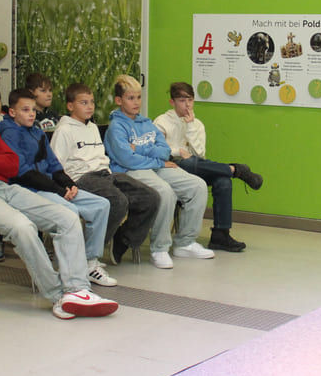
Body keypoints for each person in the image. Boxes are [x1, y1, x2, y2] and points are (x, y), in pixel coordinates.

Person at [0, 70, 117, 319]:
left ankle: (77, 289)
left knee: (67, 216)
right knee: (22, 226)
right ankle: (58, 296)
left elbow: (12, 165)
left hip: (4, 188)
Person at [0, 89, 116, 286]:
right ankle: (71, 269)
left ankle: (89, 263)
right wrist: (59, 190)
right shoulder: (8, 134)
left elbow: (54, 165)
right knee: (68, 211)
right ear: (12, 112)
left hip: (50, 186)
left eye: (33, 110)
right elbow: (23, 173)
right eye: (25, 110)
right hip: (28, 190)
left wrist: (69, 184)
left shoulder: (38, 132)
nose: (31, 114)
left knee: (101, 205)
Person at [104, 75, 212, 269]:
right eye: (130, 98)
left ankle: (185, 243)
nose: (136, 102)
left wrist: (144, 152)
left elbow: (164, 150)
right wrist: (155, 157)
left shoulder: (146, 123)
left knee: (198, 185)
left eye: (138, 97)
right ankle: (159, 248)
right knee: (165, 191)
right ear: (119, 101)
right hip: (130, 171)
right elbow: (127, 159)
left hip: (156, 166)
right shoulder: (116, 127)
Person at [50, 82, 158, 265]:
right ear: (70, 106)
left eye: (92, 102)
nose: (90, 106)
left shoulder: (92, 127)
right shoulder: (64, 130)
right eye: (83, 103)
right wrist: (67, 185)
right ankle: (88, 255)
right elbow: (55, 165)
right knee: (117, 201)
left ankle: (123, 239)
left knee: (150, 197)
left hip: (105, 174)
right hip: (81, 178)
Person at [154, 82, 262, 252]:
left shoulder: (197, 125)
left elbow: (200, 154)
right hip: (171, 168)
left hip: (196, 167)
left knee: (222, 180)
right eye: (182, 100)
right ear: (172, 102)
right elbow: (157, 150)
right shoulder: (161, 122)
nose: (187, 105)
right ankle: (235, 169)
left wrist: (189, 127)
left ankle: (221, 234)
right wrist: (179, 151)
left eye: (190, 100)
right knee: (188, 162)